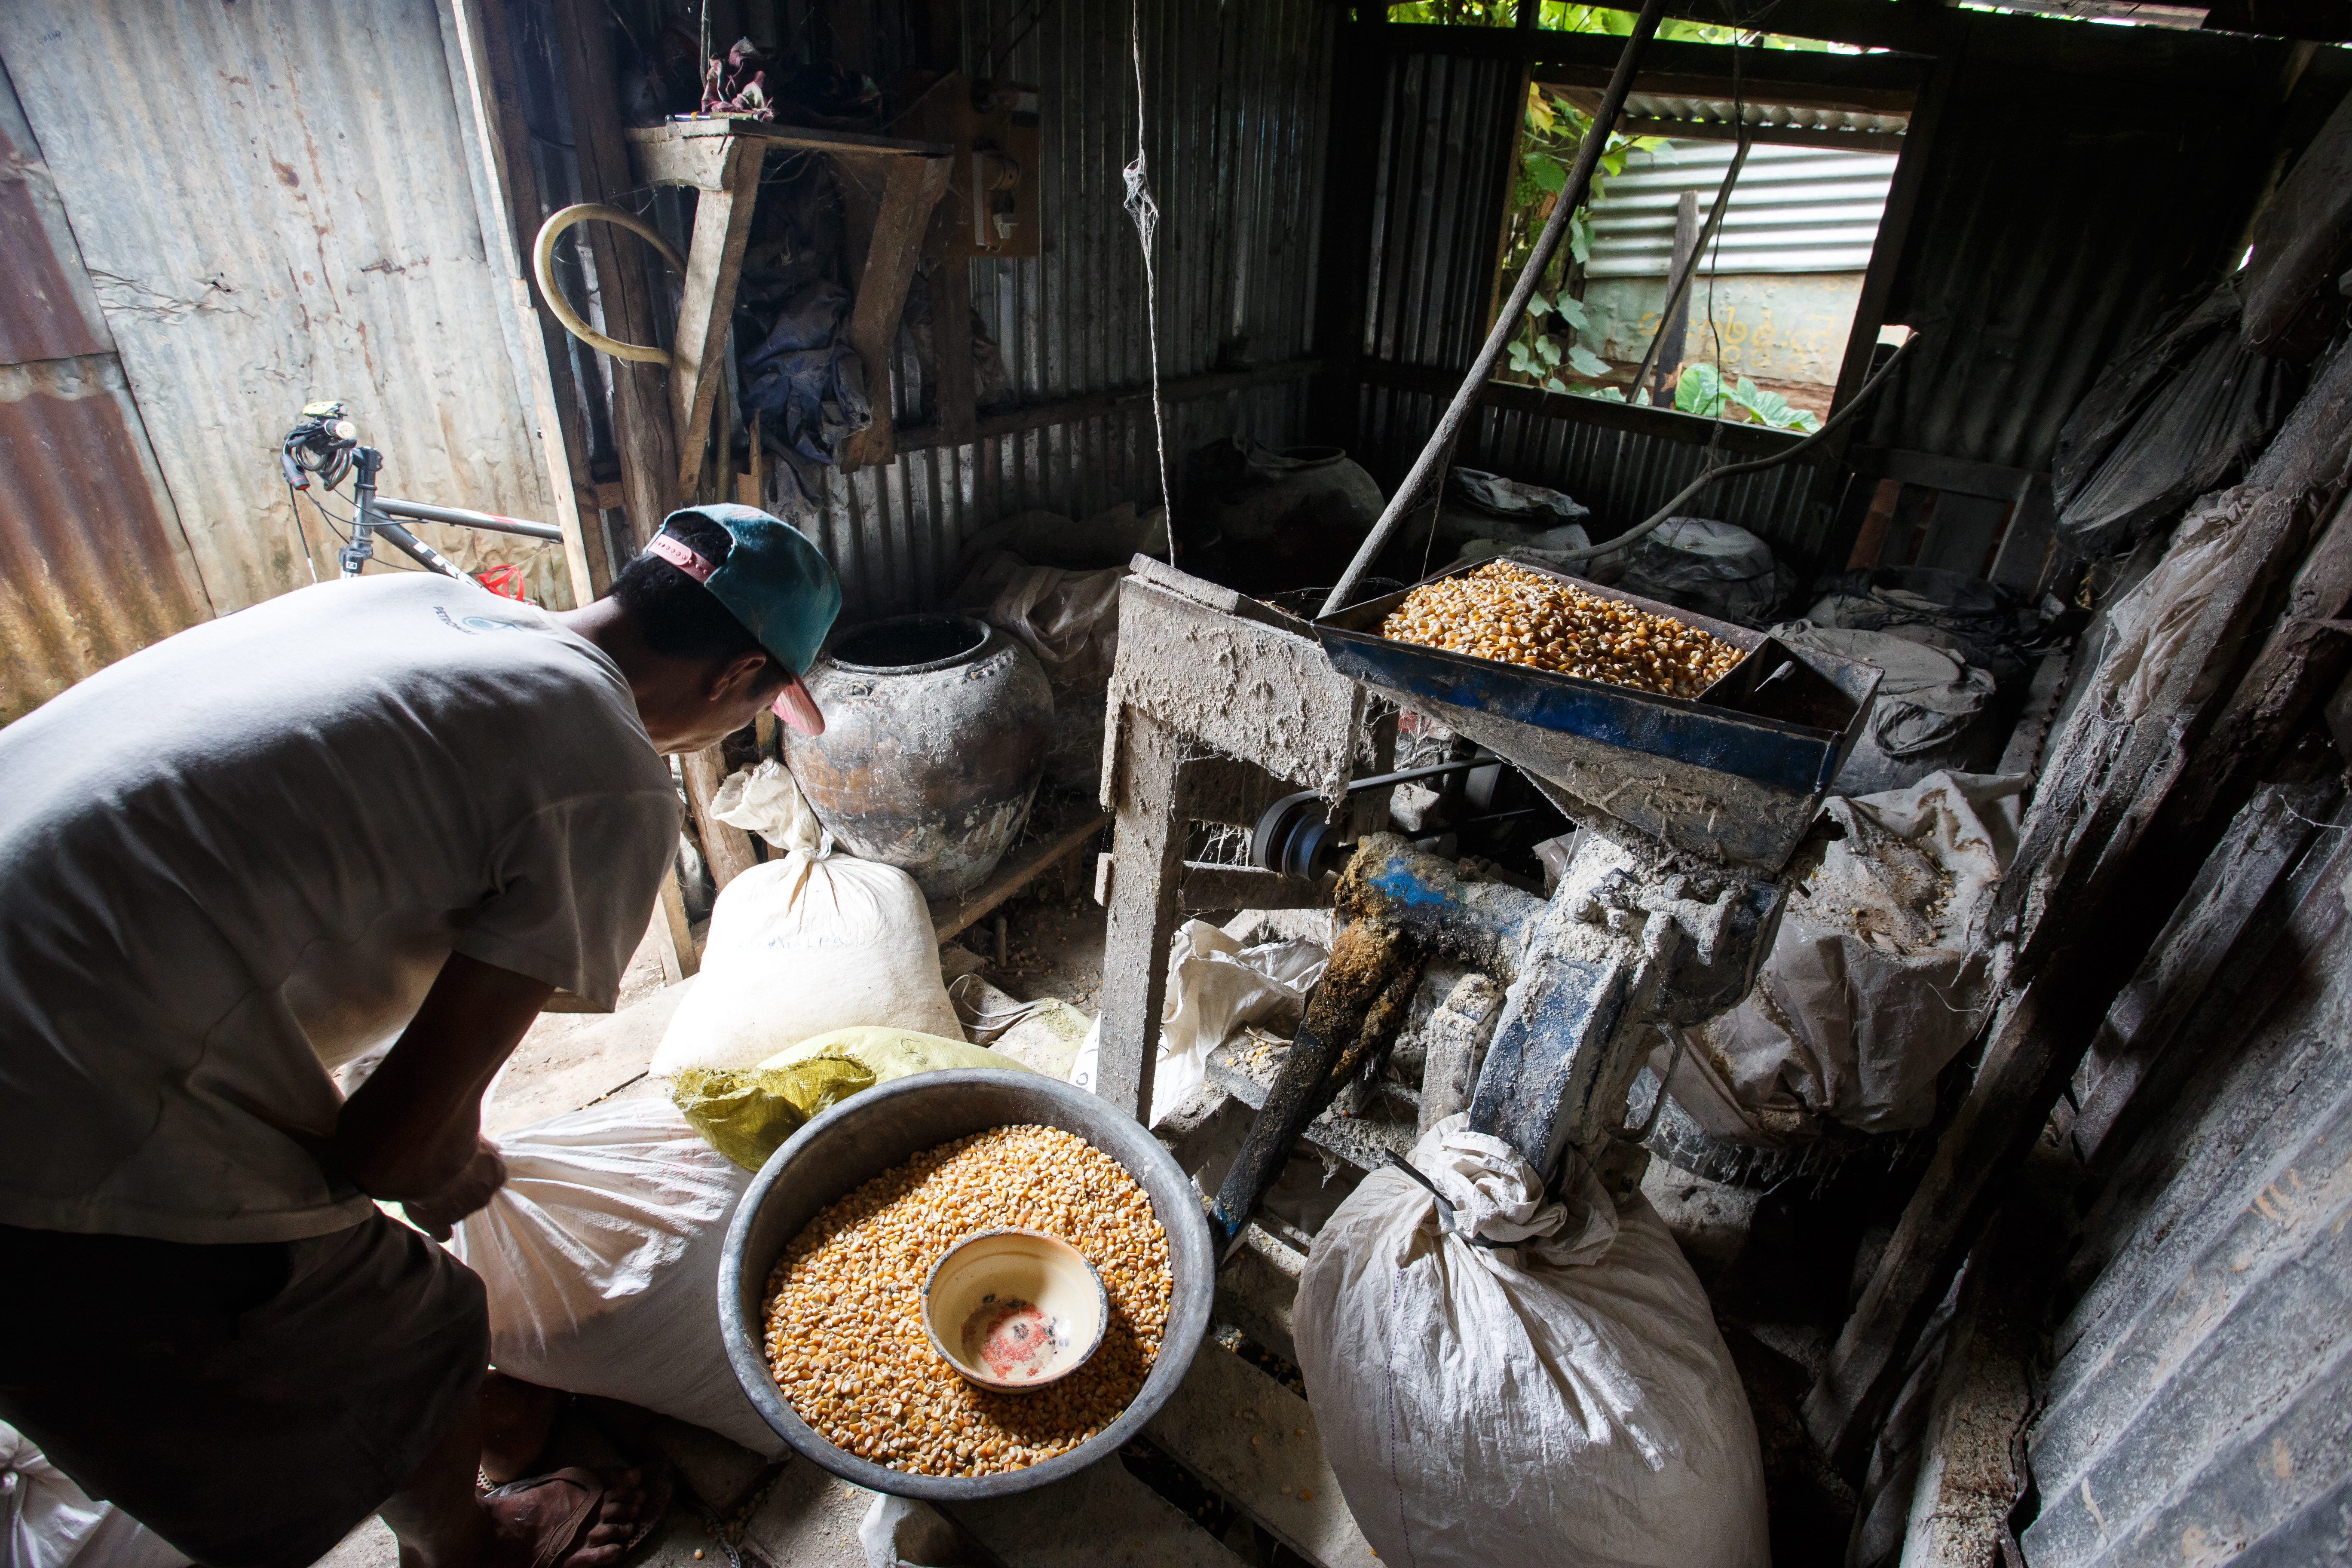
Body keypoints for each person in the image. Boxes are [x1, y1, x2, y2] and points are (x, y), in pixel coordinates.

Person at [0, 504, 840, 1568]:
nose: (737, 729)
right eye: (762, 706)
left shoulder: (427, 605)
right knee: (423, 1325)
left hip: (41, 933)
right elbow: (387, 1153)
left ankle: (471, 1430)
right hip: (44, 1080)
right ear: (736, 679)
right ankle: (472, 1546)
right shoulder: (606, 770)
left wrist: (428, 1142)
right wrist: (451, 1162)